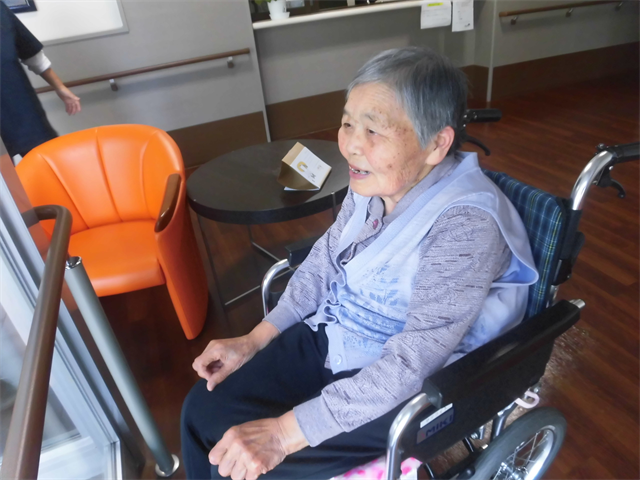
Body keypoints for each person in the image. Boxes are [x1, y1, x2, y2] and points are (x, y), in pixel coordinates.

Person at [181, 46, 538, 480]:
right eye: (348, 123)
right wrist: (253, 340)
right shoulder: (372, 184)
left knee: (257, 466)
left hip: (413, 383)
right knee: (202, 409)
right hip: (339, 335)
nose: (351, 145)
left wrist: (283, 433)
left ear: (436, 144)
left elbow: (412, 364)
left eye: (374, 130)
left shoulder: (466, 225)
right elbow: (324, 262)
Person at [0, 1, 81, 163]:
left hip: (18, 106)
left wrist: (60, 87)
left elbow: (30, 52)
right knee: (6, 173)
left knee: (49, 162)